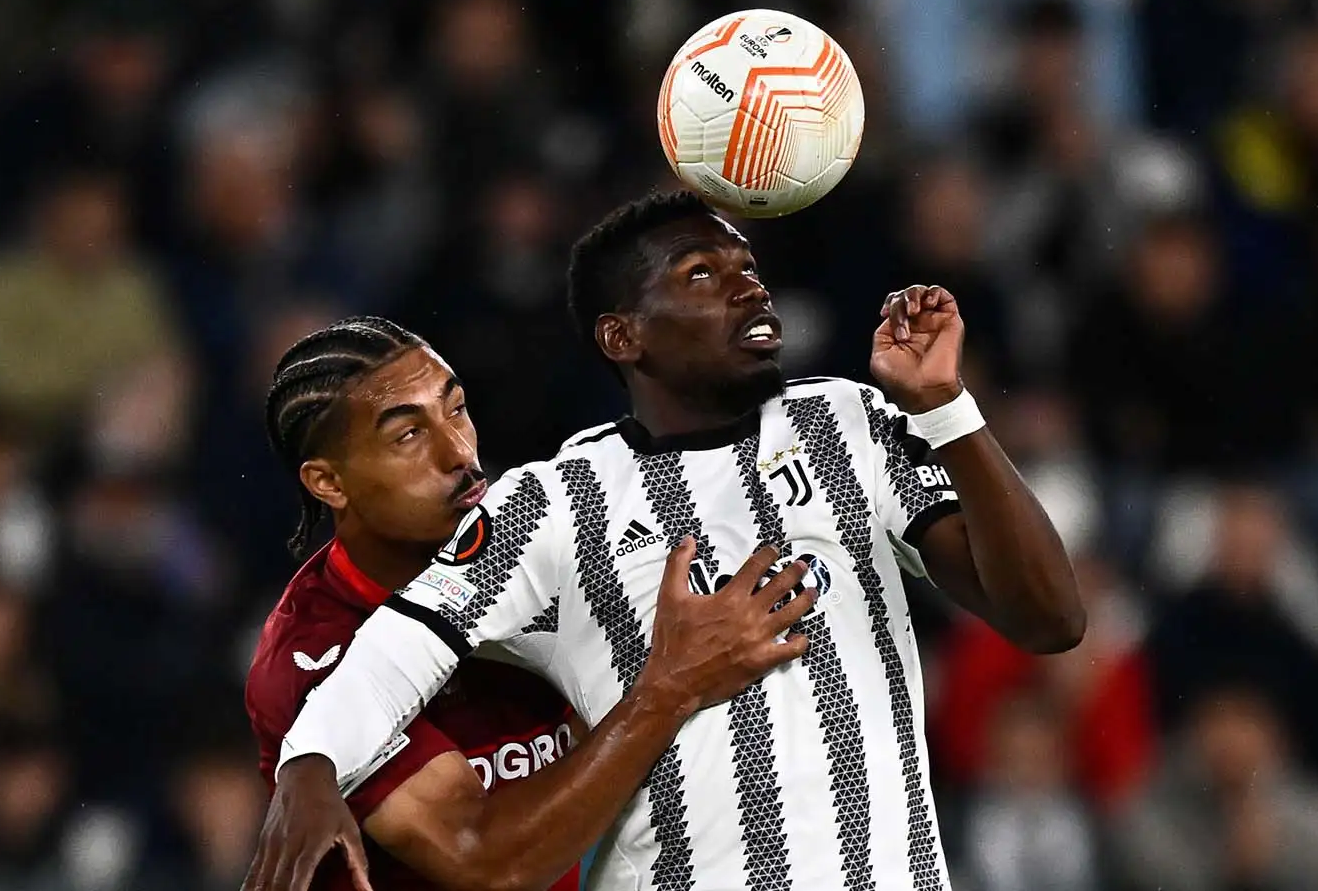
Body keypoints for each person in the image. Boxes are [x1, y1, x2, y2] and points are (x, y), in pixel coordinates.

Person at [259, 192, 1085, 890]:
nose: (748, 291)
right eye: (702, 276)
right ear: (625, 337)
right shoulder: (554, 501)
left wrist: (946, 408)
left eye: (750, 272)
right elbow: (385, 660)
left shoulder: (849, 423)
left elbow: (1051, 619)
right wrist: (310, 766)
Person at [244, 315, 816, 891]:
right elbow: (490, 862)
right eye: (408, 435)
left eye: (457, 408)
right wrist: (669, 689)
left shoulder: (540, 549)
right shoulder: (317, 659)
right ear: (328, 483)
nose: (459, 454)